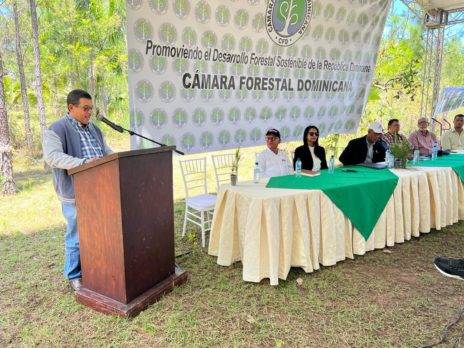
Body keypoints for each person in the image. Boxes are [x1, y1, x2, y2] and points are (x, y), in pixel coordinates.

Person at [43, 89, 112, 291]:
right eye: (85, 108)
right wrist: (83, 163)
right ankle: (74, 275)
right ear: (71, 107)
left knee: (101, 231)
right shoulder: (56, 129)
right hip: (74, 192)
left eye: (91, 108)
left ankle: (99, 266)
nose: (89, 112)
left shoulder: (95, 129)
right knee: (76, 234)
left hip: (101, 190)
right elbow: (53, 157)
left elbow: (106, 152)